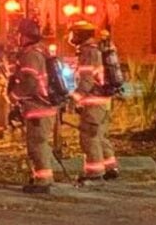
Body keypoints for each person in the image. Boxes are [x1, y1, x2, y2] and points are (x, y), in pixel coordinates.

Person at [8, 18, 58, 194]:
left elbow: (29, 82)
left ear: (24, 36)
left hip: (38, 107)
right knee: (38, 143)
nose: (17, 38)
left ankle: (43, 181)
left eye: (19, 35)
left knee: (37, 144)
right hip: (43, 105)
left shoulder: (30, 54)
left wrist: (13, 96)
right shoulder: (41, 51)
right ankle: (40, 176)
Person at [69, 20, 119, 183]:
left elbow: (87, 81)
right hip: (103, 101)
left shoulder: (88, 52)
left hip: (92, 101)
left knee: (89, 137)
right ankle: (110, 168)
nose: (70, 37)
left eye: (73, 33)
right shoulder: (97, 49)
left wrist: (74, 98)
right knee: (99, 135)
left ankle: (94, 174)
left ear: (79, 35)